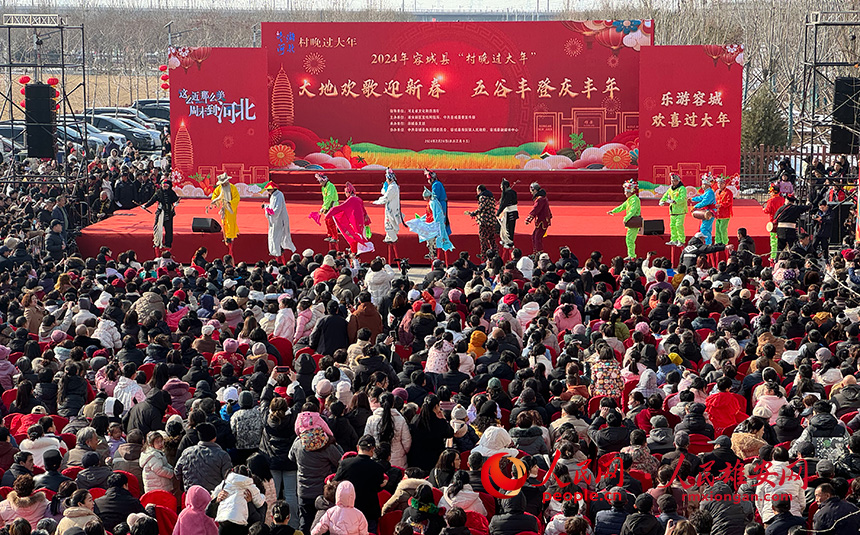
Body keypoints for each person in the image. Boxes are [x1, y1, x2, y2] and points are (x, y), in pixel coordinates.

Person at [335, 435, 387, 533]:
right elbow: (378, 487)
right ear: (373, 449)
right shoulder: (378, 468)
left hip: (350, 509)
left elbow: (336, 482)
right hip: (370, 511)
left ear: (358, 447)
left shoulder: (345, 464)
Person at [324, 182, 374, 255]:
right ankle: (356, 255)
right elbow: (364, 212)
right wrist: (366, 223)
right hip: (361, 223)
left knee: (354, 239)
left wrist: (328, 214)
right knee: (359, 238)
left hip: (355, 223)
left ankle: (355, 255)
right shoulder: (359, 199)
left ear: (348, 192)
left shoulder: (351, 199)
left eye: (345, 192)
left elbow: (340, 208)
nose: (345, 194)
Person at [406, 187, 453, 262]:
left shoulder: (433, 203)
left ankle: (433, 252)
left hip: (434, 224)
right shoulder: (430, 202)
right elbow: (428, 214)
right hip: (430, 221)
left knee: (430, 236)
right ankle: (431, 251)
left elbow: (437, 214)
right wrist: (421, 219)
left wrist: (436, 223)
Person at [372, 168, 404, 265]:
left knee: (390, 222)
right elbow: (385, 193)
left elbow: (386, 197)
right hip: (390, 208)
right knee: (388, 221)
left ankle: (392, 237)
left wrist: (377, 202)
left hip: (392, 209)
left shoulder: (393, 187)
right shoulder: (392, 187)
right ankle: (390, 236)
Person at [262, 182, 296, 263]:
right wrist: (266, 207)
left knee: (277, 237)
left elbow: (277, 210)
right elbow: (272, 208)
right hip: (274, 221)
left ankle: (277, 254)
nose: (268, 191)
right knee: (274, 237)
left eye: (269, 189)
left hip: (279, 220)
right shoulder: (273, 196)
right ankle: (275, 252)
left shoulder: (279, 195)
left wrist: (268, 210)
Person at [142, 178, 179, 251]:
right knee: (157, 227)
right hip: (160, 212)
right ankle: (157, 242)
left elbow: (176, 199)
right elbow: (152, 200)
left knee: (169, 229)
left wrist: (176, 203)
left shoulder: (171, 193)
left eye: (166, 186)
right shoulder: (158, 192)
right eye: (163, 186)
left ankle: (168, 243)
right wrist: (145, 206)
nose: (164, 187)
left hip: (168, 213)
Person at [207, 172, 240, 253]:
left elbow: (237, 197)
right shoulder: (219, 188)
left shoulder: (232, 187)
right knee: (224, 222)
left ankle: (230, 236)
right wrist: (215, 201)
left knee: (230, 222)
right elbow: (215, 195)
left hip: (230, 207)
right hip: (223, 207)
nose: (224, 184)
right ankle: (225, 236)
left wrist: (230, 203)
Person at [608, 179, 641, 259]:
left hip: (634, 221)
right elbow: (622, 207)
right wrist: (613, 211)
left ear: (630, 192)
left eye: (626, 192)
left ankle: (632, 255)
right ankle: (631, 254)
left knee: (630, 239)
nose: (625, 193)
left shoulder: (635, 200)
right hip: (631, 221)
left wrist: (626, 218)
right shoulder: (630, 200)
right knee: (629, 239)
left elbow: (633, 210)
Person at [465, 185, 498, 259]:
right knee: (491, 238)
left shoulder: (482, 197)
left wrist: (473, 213)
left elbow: (481, 208)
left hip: (484, 221)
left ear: (479, 190)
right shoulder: (491, 197)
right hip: (492, 220)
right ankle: (495, 253)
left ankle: (484, 255)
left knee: (483, 238)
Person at [660, 173, 688, 246]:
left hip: (681, 210)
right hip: (673, 211)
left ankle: (681, 240)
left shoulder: (682, 189)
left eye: (674, 181)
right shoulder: (670, 189)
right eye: (672, 181)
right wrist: (662, 201)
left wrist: (674, 201)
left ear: (678, 181)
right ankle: (674, 239)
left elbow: (683, 198)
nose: (672, 182)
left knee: (679, 225)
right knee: (672, 226)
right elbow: (665, 195)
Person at [525, 181, 552, 257]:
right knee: (535, 236)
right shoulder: (541, 198)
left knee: (537, 238)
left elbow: (536, 209)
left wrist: (529, 218)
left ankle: (539, 254)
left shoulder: (540, 199)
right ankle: (536, 253)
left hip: (542, 221)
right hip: (541, 220)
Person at [690, 174, 717, 245]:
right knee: (705, 228)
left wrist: (695, 206)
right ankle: (707, 243)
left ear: (707, 185)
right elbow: (701, 197)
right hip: (707, 211)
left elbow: (705, 202)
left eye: (704, 184)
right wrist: (692, 199)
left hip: (710, 212)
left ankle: (708, 244)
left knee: (704, 228)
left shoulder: (710, 192)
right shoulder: (708, 192)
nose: (702, 186)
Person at [496, 178, 518, 259]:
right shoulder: (513, 192)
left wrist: (498, 213)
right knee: (509, 228)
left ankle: (509, 243)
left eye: (501, 186)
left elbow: (504, 204)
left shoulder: (507, 193)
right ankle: (508, 242)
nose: (500, 188)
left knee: (508, 229)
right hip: (513, 212)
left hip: (510, 213)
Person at [762, 184, 785, 260]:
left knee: (773, 240)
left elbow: (767, 210)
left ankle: (773, 256)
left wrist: (763, 209)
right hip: (782, 221)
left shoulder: (771, 200)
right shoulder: (782, 199)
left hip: (773, 221)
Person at [316, 173, 340, 244]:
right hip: (327, 205)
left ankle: (335, 237)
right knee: (326, 221)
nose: (320, 183)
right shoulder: (324, 188)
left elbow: (330, 197)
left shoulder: (330, 186)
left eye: (320, 181)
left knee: (331, 222)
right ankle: (330, 235)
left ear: (324, 180)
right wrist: (323, 207)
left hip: (332, 205)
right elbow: (325, 198)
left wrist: (325, 207)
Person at [426, 169, 450, 236]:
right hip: (441, 203)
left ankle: (441, 234)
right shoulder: (438, 183)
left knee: (440, 219)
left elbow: (435, 197)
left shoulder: (436, 185)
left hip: (440, 204)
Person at [713, 176, 734, 246]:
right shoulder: (717, 192)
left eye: (721, 183)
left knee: (722, 228)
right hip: (718, 214)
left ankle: (725, 242)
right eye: (718, 184)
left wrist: (721, 205)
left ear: (725, 184)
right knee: (717, 228)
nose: (720, 185)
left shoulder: (728, 192)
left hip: (725, 214)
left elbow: (729, 202)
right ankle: (718, 241)